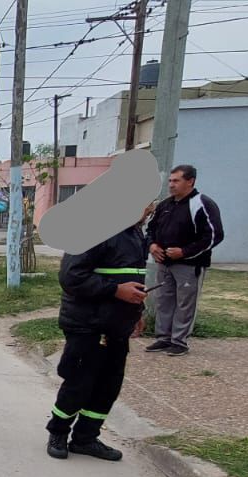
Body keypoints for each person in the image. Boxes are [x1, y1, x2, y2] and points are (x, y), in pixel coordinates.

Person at [46, 203, 156, 461]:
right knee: (80, 381)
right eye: (145, 206)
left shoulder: (133, 233)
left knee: (108, 385)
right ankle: (58, 432)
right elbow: (71, 277)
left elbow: (132, 277)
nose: (149, 211)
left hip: (117, 325)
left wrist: (137, 312)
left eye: (150, 208)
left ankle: (85, 438)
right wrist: (116, 291)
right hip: (87, 324)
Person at [146, 165, 223, 357]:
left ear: (190, 181)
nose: (171, 185)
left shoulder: (202, 204)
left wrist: (185, 252)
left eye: (176, 181)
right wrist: (152, 245)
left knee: (185, 302)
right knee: (164, 301)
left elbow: (214, 235)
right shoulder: (165, 205)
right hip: (164, 263)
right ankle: (163, 338)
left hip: (189, 265)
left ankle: (179, 341)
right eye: (170, 180)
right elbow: (151, 229)